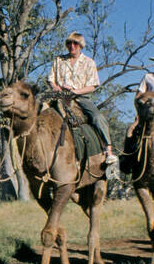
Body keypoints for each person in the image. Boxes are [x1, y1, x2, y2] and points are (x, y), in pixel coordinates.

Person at [48, 31, 118, 167]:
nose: (72, 46)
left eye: (75, 43)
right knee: (38, 107)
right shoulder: (59, 60)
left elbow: (93, 86)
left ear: (81, 45)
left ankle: (108, 150)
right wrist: (57, 88)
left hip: (80, 96)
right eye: (69, 43)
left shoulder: (89, 62)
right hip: (59, 95)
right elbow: (51, 79)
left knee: (97, 117)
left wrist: (75, 91)